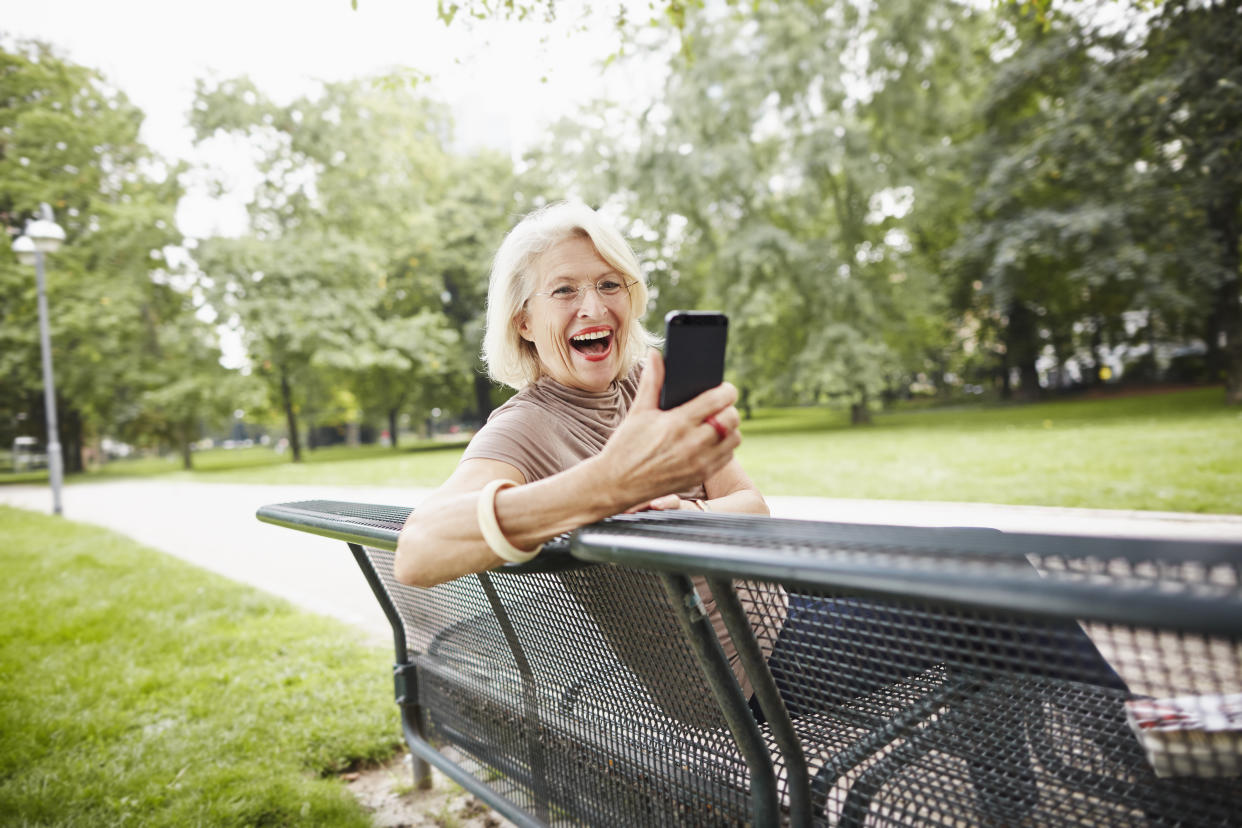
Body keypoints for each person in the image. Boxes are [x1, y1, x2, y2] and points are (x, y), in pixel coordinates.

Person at [394, 201, 784, 716]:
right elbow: (417, 550)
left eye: (609, 284)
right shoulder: (522, 426)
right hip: (742, 670)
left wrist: (692, 516)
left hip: (779, 616)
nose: (594, 309)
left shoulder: (650, 386)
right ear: (524, 322)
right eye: (564, 290)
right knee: (928, 613)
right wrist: (609, 484)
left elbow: (750, 504)